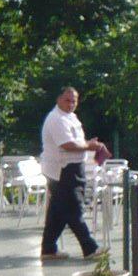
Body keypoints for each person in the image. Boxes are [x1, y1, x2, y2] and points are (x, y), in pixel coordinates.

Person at [39, 87, 105, 261]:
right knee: (73, 208)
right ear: (58, 100)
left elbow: (76, 141)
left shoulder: (71, 118)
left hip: (73, 168)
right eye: (67, 100)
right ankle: (90, 248)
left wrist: (87, 143)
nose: (71, 104)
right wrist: (89, 146)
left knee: (58, 211)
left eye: (74, 101)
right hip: (62, 170)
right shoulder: (56, 119)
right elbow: (67, 145)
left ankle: (48, 249)